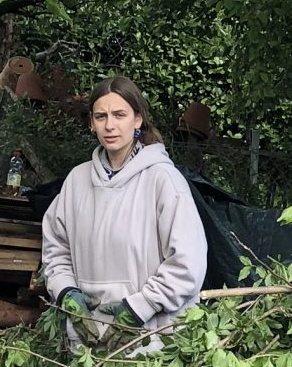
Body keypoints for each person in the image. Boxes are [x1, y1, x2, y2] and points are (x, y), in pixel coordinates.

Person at [41, 74, 207, 341]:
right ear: (92, 124)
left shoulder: (163, 180)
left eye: (119, 115)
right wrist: (66, 292)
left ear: (137, 119)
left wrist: (139, 308)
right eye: (100, 116)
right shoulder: (76, 181)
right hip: (88, 337)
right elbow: (56, 249)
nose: (110, 125)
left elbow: (188, 263)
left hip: (149, 340)